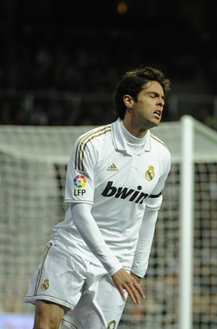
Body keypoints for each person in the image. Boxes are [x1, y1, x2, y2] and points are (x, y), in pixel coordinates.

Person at [24, 66, 172, 329]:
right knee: (46, 324)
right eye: (152, 95)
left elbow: (150, 213)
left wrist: (137, 269)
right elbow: (80, 211)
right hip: (73, 248)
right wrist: (115, 267)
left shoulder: (161, 156)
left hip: (119, 265)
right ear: (129, 100)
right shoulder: (91, 145)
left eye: (162, 98)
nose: (161, 102)